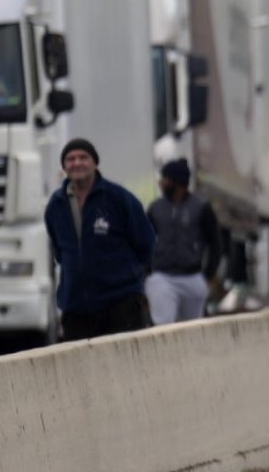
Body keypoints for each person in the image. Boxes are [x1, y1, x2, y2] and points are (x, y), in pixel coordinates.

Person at [44, 138, 154, 340]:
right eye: (70, 159)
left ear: (95, 163)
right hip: (76, 309)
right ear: (64, 167)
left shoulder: (118, 198)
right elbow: (59, 252)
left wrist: (128, 277)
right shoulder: (55, 206)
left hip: (120, 306)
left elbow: (145, 242)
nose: (77, 163)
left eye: (83, 157)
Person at [145, 158, 225, 326]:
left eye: (165, 178)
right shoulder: (156, 208)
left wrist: (208, 275)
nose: (161, 182)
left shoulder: (201, 207)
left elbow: (215, 243)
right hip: (162, 276)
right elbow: (143, 240)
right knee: (163, 324)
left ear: (177, 182)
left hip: (193, 276)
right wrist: (146, 273)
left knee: (193, 327)